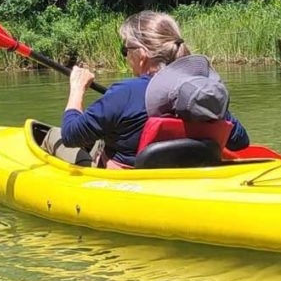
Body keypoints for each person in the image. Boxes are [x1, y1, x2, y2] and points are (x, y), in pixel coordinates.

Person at [42, 10, 249, 168]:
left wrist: (77, 89)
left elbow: (70, 135)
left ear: (141, 54)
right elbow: (240, 141)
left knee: (53, 135)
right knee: (98, 141)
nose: (125, 55)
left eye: (125, 49)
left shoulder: (125, 93)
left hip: (130, 182)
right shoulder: (201, 94)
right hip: (184, 175)